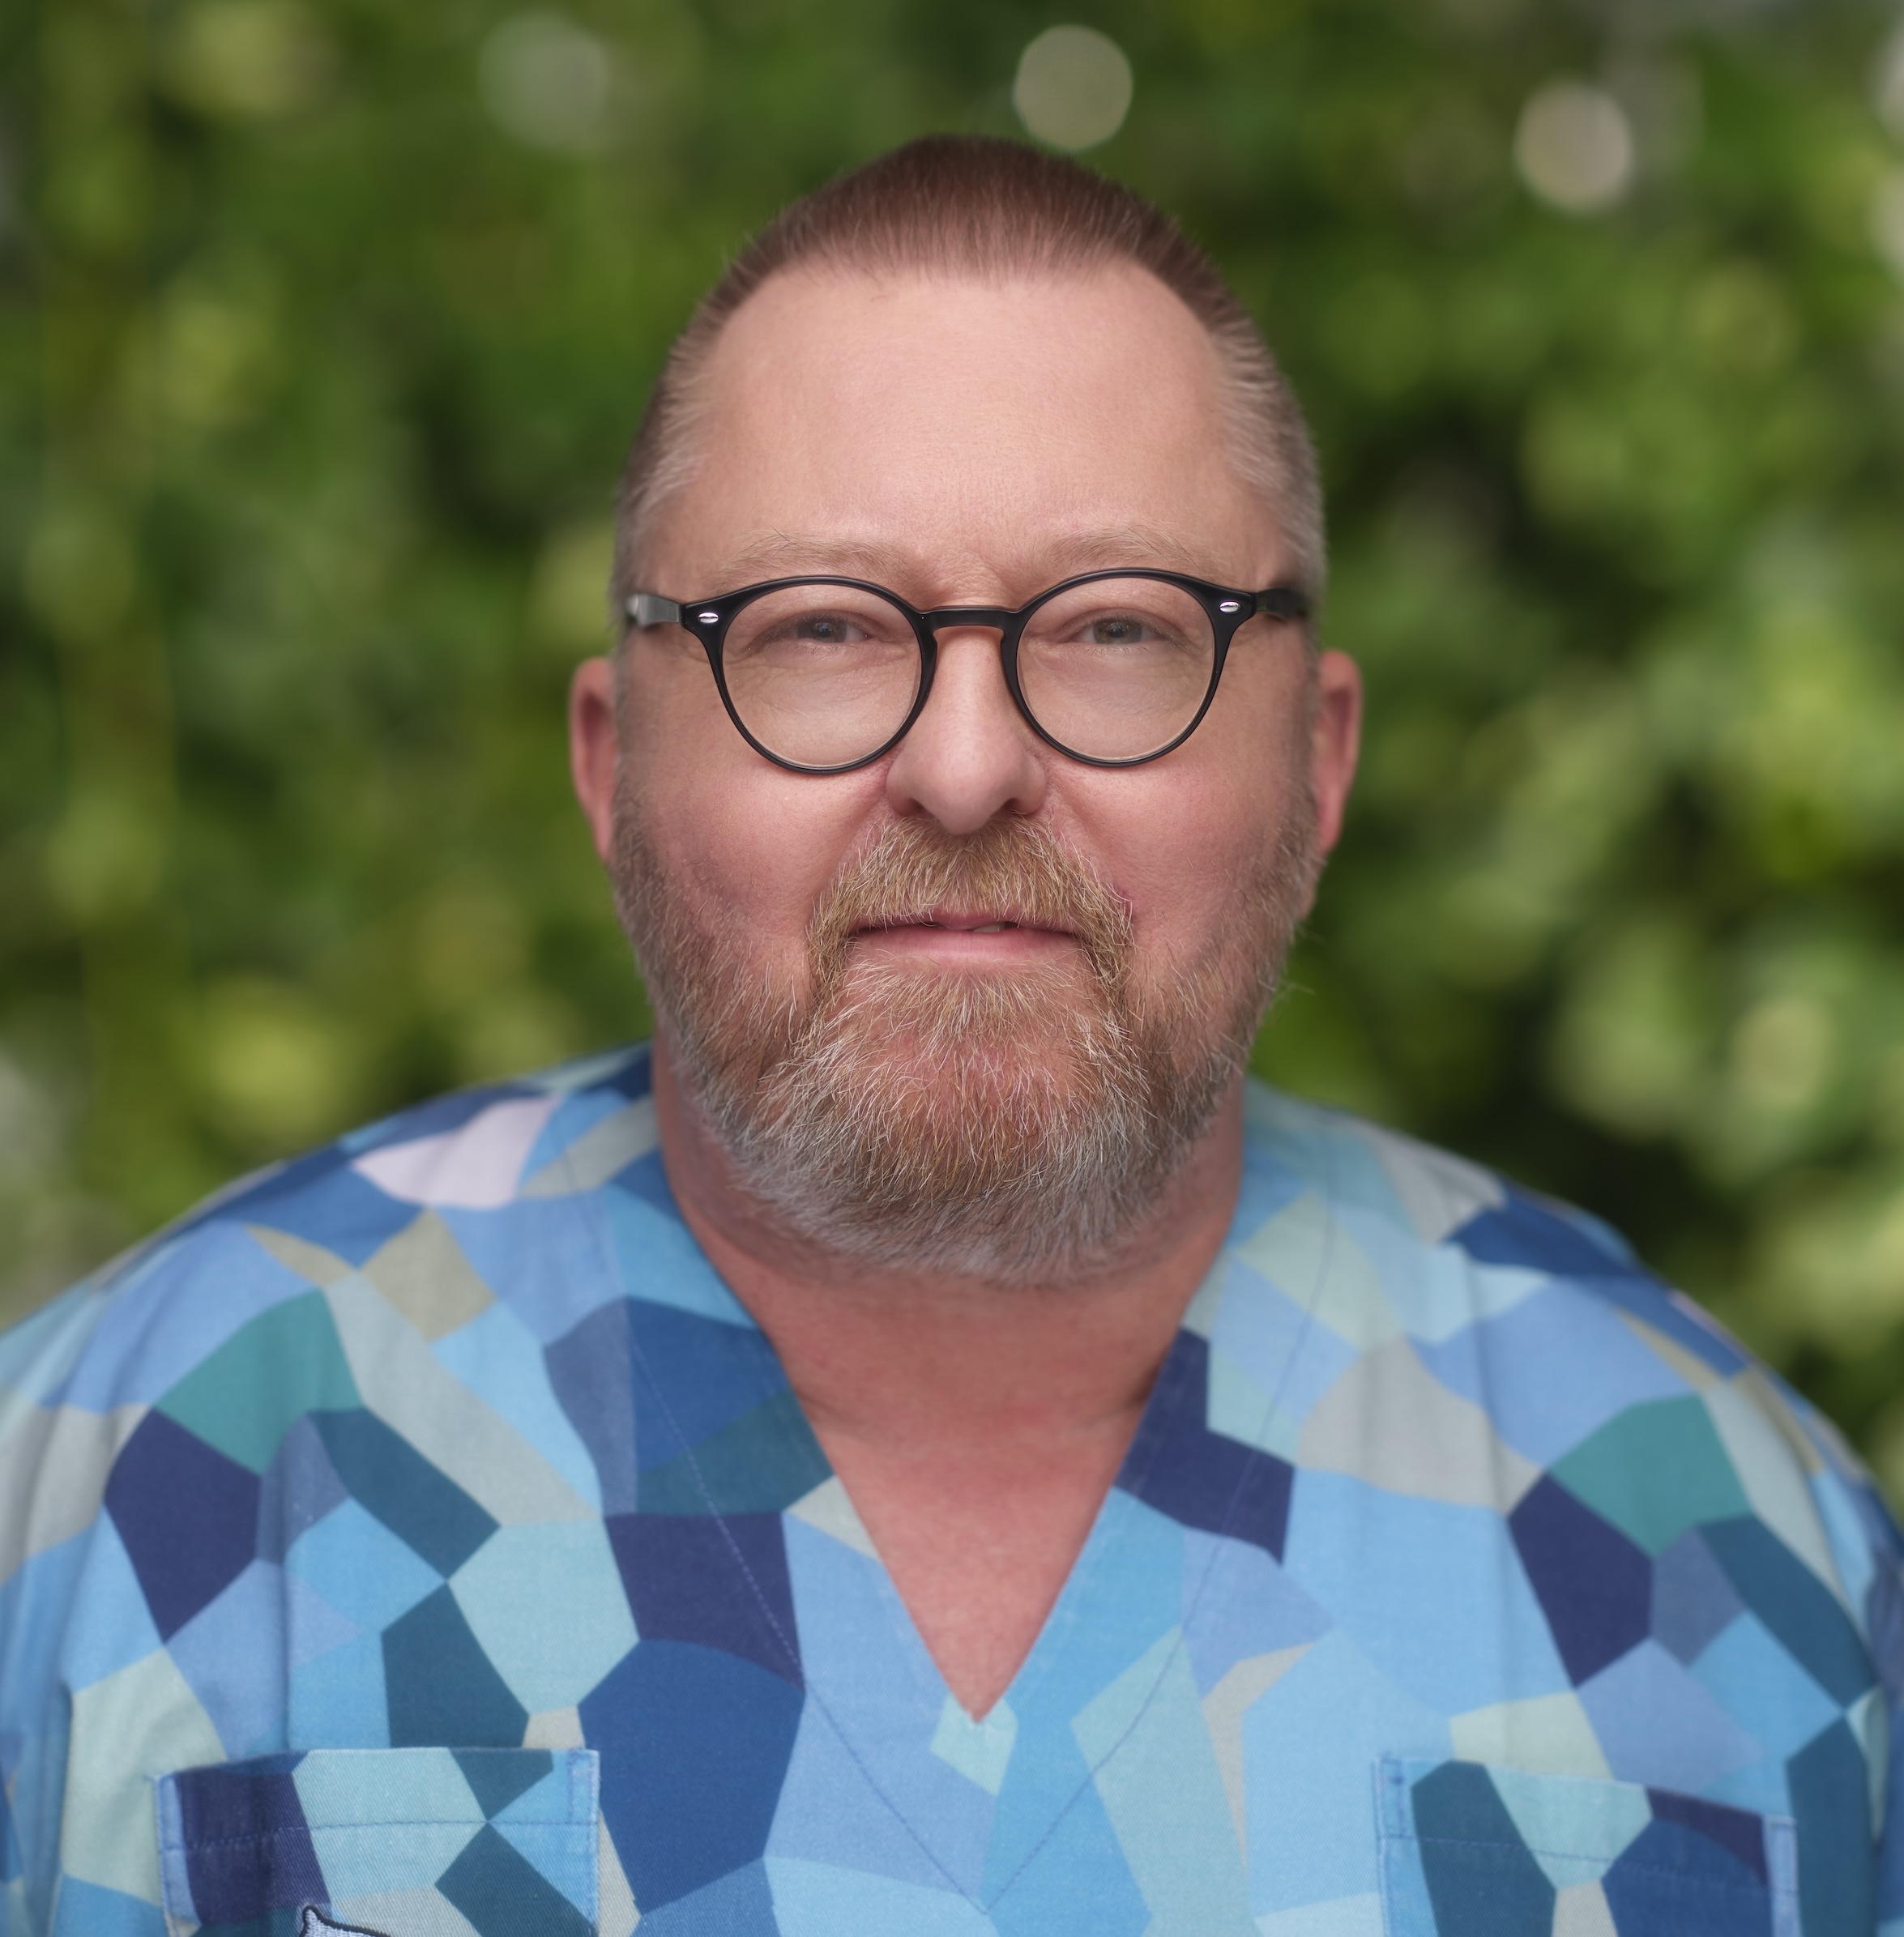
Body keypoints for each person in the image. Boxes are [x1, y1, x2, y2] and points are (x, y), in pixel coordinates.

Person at [1, 135, 1898, 1937]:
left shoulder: (1734, 1540)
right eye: (818, 629)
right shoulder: (112, 1482)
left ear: (1315, 762)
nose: (968, 764)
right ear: (613, 763)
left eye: (1117, 630)